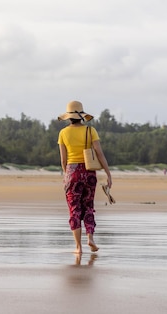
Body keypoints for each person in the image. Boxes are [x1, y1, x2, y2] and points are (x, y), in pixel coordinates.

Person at [57, 100, 113, 255]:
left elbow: (63, 159)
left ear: (69, 117)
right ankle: (91, 238)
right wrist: (108, 173)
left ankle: (78, 247)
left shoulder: (63, 133)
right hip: (89, 172)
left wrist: (67, 174)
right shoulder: (91, 130)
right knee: (88, 207)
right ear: (81, 115)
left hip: (71, 172)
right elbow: (100, 154)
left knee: (74, 210)